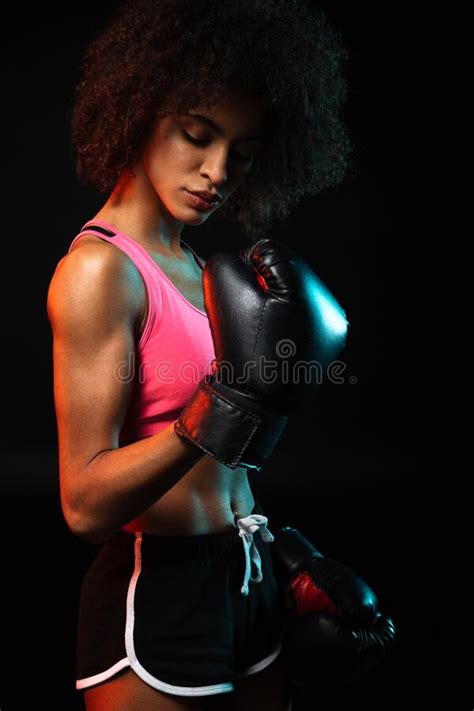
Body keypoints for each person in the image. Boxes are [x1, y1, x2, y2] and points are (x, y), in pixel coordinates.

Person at [46, 1, 353, 709]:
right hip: (163, 587)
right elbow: (82, 504)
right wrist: (215, 406)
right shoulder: (101, 272)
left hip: (247, 573)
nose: (217, 171)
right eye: (197, 135)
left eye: (241, 155)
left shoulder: (208, 269)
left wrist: (293, 559)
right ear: (142, 108)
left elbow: (230, 465)